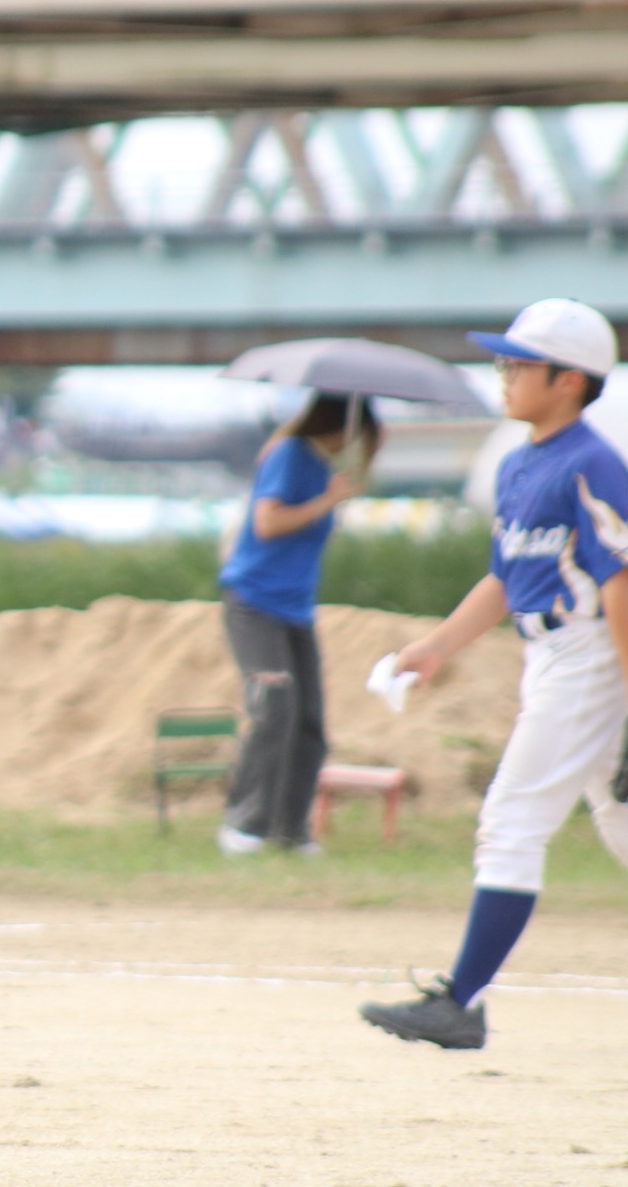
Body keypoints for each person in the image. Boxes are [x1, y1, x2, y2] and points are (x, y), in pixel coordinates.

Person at [360, 298, 628, 1050]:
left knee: (511, 822)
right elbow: (507, 578)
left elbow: (620, 584)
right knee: (620, 823)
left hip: (590, 654)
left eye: (519, 363)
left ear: (569, 380)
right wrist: (435, 647)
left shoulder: (593, 465)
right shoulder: (519, 463)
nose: (503, 374)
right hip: (549, 656)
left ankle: (461, 1002)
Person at [214, 391, 381, 857]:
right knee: (275, 708)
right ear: (344, 428)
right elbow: (267, 522)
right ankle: (244, 824)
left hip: (295, 609)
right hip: (255, 603)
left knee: (309, 722)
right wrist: (327, 500)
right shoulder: (290, 454)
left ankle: (290, 830)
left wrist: (331, 501)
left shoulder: (320, 467)